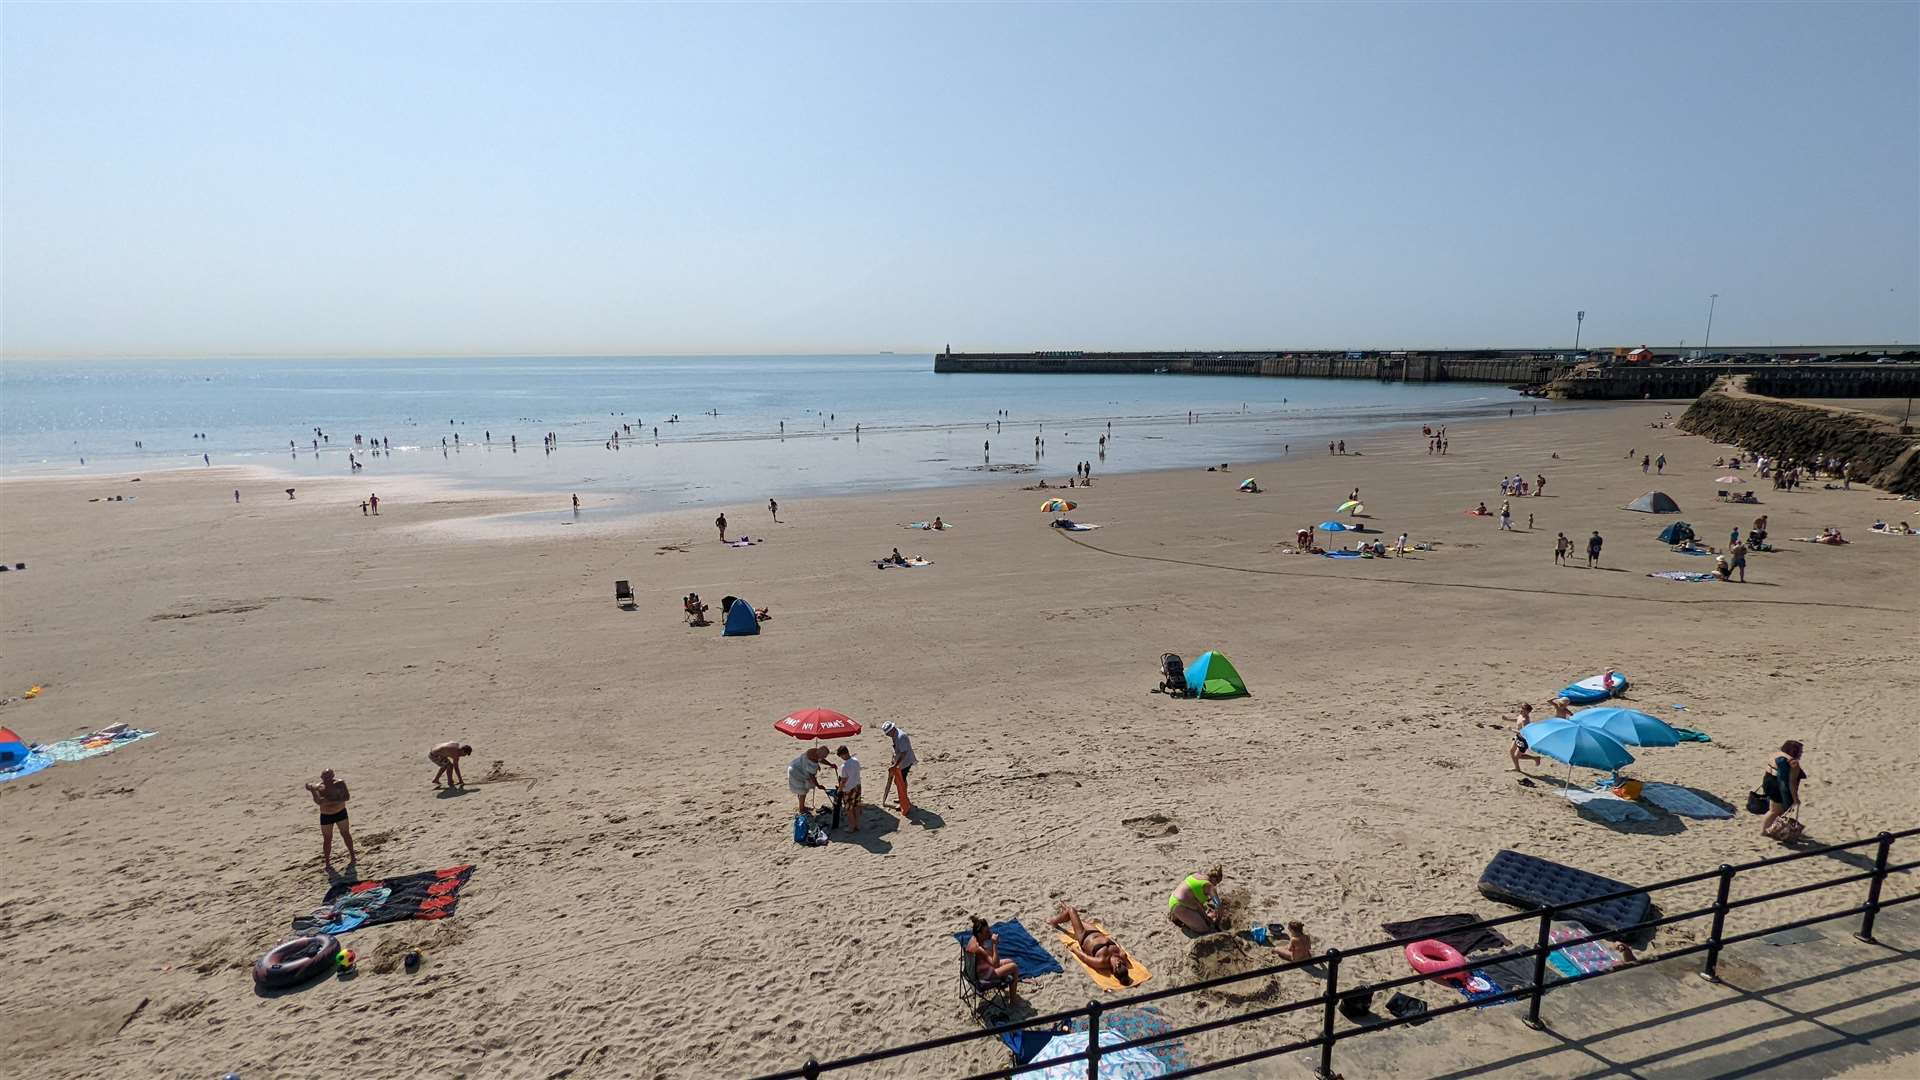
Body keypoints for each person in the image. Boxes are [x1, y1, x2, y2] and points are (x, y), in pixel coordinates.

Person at [1048, 904, 1133, 985]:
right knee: (1075, 918)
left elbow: (1085, 958)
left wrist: (1074, 949)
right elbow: (1118, 945)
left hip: (1083, 936)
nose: (1119, 961)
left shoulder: (1101, 962)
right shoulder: (1122, 955)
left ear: (1113, 969)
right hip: (1096, 932)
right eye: (1121, 963)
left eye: (1117, 964)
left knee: (1072, 910)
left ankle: (1054, 921)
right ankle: (1066, 912)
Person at [305, 769, 356, 869]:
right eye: (325, 777)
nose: (327, 779)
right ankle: (327, 862)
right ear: (322, 778)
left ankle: (353, 856)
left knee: (345, 834)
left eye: (329, 777)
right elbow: (318, 801)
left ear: (333, 776)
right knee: (327, 839)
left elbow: (346, 797)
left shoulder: (340, 783)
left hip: (340, 812)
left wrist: (330, 800)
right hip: (326, 815)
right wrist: (313, 790)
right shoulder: (319, 787)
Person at [1761, 741, 1807, 841]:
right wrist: (1795, 799)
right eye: (1800, 751)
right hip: (1778, 785)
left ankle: (1772, 829)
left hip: (1768, 781)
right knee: (1775, 811)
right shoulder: (1793, 763)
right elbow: (1791, 783)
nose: (1801, 753)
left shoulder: (1775, 754)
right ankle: (1765, 830)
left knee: (1775, 809)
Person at [964, 916, 1020, 995]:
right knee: (1014, 967)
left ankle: (1001, 985)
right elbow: (995, 964)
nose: (989, 933)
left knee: (1009, 961)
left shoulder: (973, 939)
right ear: (979, 934)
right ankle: (1013, 1001)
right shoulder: (979, 949)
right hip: (983, 976)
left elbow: (987, 958)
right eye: (986, 931)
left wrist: (989, 936)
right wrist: (994, 944)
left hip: (974, 972)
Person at [1169, 866, 1225, 931]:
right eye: (1217, 882)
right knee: (1204, 929)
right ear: (1215, 879)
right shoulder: (1209, 886)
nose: (1216, 885)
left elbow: (1197, 903)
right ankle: (1183, 920)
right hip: (1180, 905)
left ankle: (1178, 916)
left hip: (1173, 899)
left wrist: (1205, 917)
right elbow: (1219, 906)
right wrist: (1217, 922)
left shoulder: (1195, 875)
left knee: (1201, 910)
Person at [787, 746, 831, 814]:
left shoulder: (813, 751)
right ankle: (802, 809)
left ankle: (801, 805)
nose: (825, 758)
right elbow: (812, 776)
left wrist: (830, 764)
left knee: (800, 789)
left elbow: (821, 760)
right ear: (820, 754)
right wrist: (818, 785)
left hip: (794, 765)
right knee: (802, 791)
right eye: (824, 756)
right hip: (797, 772)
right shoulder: (813, 762)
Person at [880, 721, 917, 802]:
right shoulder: (894, 734)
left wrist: (895, 765)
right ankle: (903, 797)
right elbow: (897, 749)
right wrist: (893, 760)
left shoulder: (901, 737)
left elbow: (904, 753)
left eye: (888, 733)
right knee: (900, 781)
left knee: (900, 782)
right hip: (900, 762)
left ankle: (904, 800)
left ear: (892, 729)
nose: (887, 735)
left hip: (905, 762)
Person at [831, 745, 862, 831]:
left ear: (843, 755)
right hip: (857, 785)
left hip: (848, 789)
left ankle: (851, 826)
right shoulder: (856, 760)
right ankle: (857, 825)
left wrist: (839, 790)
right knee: (856, 806)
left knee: (849, 808)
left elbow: (843, 780)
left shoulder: (844, 766)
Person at [1507, 703, 1542, 771]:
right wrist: (1507, 719)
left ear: (1527, 711)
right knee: (1511, 751)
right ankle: (1517, 768)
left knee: (1517, 756)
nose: (1521, 709)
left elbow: (1523, 733)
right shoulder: (1521, 715)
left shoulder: (1525, 720)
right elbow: (1517, 719)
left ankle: (1535, 758)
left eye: (1523, 708)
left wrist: (1511, 729)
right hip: (1518, 737)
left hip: (1523, 740)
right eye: (1521, 708)